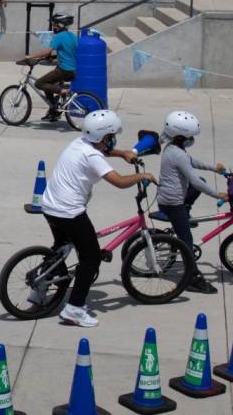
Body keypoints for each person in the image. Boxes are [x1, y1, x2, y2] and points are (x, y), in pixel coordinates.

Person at [40, 110, 154, 328]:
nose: (113, 140)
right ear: (104, 137)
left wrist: (122, 154)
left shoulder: (80, 143)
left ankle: (39, 291)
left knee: (61, 247)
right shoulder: (93, 156)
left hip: (50, 206)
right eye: (111, 137)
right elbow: (119, 182)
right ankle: (74, 309)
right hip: (69, 211)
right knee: (91, 258)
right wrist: (143, 175)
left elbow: (101, 151)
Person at [157, 111, 229, 294]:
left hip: (169, 198)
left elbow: (193, 162)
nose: (192, 139)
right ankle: (192, 278)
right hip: (172, 203)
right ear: (180, 136)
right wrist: (218, 195)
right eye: (190, 137)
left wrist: (216, 169)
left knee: (202, 182)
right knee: (186, 240)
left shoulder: (174, 149)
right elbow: (194, 180)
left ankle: (186, 209)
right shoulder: (178, 154)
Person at [23, 12, 77, 121]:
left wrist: (30, 56)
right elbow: (69, 52)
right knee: (49, 85)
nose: (53, 27)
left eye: (54, 24)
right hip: (73, 70)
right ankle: (54, 112)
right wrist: (55, 57)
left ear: (59, 25)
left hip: (64, 70)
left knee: (39, 83)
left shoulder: (59, 37)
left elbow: (46, 52)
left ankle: (63, 92)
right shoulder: (72, 36)